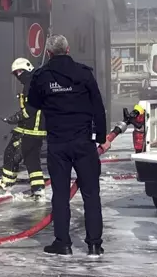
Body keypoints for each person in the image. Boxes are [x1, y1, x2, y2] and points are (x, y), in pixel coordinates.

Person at [27, 35, 109, 256]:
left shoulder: (42, 76)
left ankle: (62, 242)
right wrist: (101, 137)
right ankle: (94, 244)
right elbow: (98, 107)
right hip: (84, 142)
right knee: (91, 194)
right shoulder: (84, 73)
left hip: (58, 144)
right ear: (68, 49)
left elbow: (32, 105)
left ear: (50, 53)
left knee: (61, 194)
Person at [0, 58, 47, 201]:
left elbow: (30, 110)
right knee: (31, 160)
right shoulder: (36, 81)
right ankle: (38, 190)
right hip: (33, 129)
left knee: (11, 152)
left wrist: (14, 118)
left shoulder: (30, 85)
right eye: (16, 73)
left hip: (31, 129)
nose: (18, 75)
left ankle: (6, 184)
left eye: (19, 72)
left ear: (27, 68)